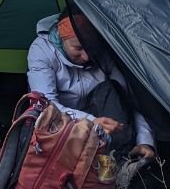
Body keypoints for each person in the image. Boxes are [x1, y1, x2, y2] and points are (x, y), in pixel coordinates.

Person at [27, 13, 156, 162]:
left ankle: (121, 162)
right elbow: (46, 105)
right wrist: (90, 121)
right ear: (61, 37)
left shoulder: (103, 55)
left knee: (111, 89)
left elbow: (128, 100)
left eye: (90, 47)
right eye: (78, 48)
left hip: (104, 126)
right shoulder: (42, 51)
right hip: (63, 126)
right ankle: (114, 166)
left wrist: (145, 140)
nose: (86, 56)